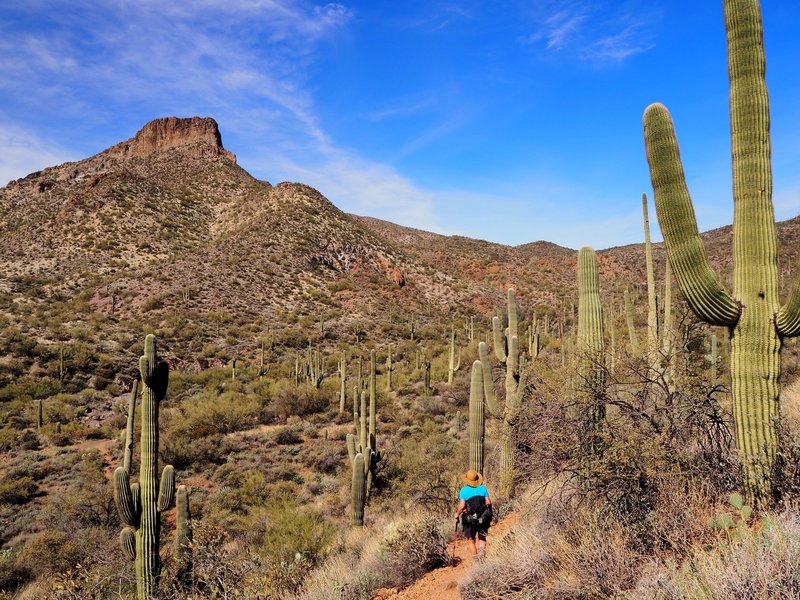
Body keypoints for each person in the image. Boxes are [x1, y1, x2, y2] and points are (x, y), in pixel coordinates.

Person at [454, 469, 492, 560]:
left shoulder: (464, 490)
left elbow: (462, 505)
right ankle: (482, 555)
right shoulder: (483, 488)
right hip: (482, 518)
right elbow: (488, 502)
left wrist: (457, 514)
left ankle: (476, 561)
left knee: (471, 540)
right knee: (482, 537)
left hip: (469, 519)